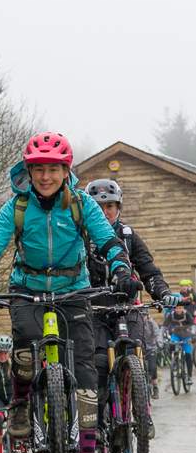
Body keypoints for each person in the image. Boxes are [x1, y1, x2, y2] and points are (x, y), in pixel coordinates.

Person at [0, 131, 139, 453]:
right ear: (29, 169)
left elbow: (109, 240)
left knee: (86, 365)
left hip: (74, 289)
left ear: (65, 170)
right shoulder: (18, 206)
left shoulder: (82, 204)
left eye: (53, 169)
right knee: (24, 339)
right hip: (27, 288)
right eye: (38, 169)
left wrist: (122, 271)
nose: (45, 177)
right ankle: (22, 405)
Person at [82, 178, 180, 425]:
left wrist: (163, 292)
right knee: (100, 361)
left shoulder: (128, 236)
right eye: (98, 207)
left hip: (127, 307)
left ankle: (141, 408)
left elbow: (149, 270)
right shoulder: (79, 238)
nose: (105, 212)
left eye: (110, 206)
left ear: (119, 207)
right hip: (94, 309)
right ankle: (99, 418)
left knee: (138, 350)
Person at [163, 303, 194, 384]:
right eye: (176, 308)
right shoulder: (171, 314)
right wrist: (161, 335)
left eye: (180, 308)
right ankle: (175, 361)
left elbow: (192, 324)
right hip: (176, 335)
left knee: (188, 355)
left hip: (186, 336)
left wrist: (193, 333)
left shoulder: (187, 314)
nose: (178, 310)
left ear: (182, 308)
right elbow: (165, 325)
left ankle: (189, 376)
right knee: (171, 344)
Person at [141, 305, 162, 399]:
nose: (143, 318)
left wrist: (159, 343)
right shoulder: (138, 324)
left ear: (147, 316)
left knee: (153, 367)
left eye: (144, 315)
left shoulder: (151, 323)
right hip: (141, 348)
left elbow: (157, 333)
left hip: (151, 347)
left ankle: (155, 387)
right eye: (141, 315)